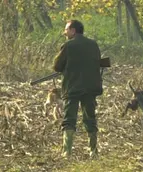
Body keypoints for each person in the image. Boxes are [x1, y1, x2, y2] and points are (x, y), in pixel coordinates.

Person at [53, 20, 103, 159]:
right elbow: (98, 62)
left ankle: (67, 152)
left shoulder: (68, 46)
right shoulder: (93, 45)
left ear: (73, 30)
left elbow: (57, 67)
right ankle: (93, 152)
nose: (65, 33)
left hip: (72, 88)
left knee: (69, 120)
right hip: (90, 88)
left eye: (67, 30)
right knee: (90, 119)